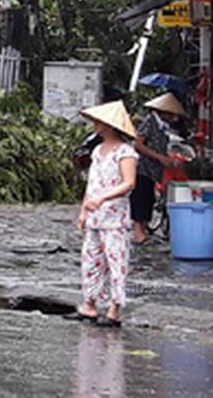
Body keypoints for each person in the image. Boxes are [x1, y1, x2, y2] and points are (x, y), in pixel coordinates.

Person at [63, 100, 137, 328]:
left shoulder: (126, 152)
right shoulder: (97, 151)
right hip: (95, 215)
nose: (95, 125)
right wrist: (83, 210)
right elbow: (92, 184)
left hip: (115, 218)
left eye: (99, 122)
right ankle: (90, 304)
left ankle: (115, 309)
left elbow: (129, 183)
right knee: (91, 259)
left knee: (116, 262)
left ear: (110, 125)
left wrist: (103, 198)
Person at [131, 92, 186, 244]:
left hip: (153, 170)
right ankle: (138, 232)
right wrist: (159, 157)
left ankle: (142, 230)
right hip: (142, 167)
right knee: (140, 198)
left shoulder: (161, 125)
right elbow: (138, 144)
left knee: (148, 199)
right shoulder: (150, 121)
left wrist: (167, 158)